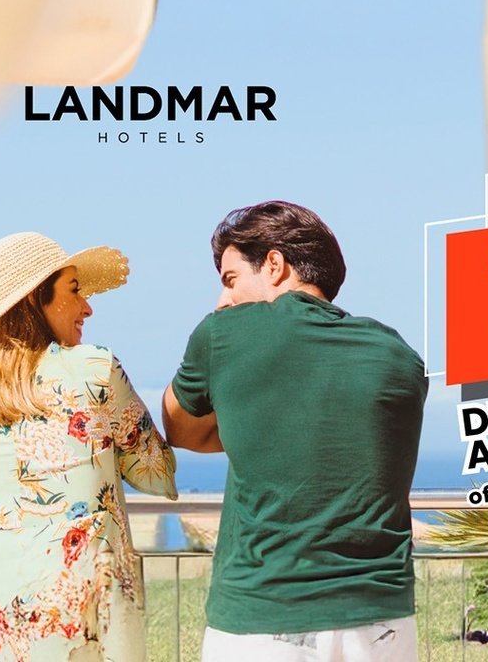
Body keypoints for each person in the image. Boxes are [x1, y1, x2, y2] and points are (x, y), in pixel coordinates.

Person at [0, 231, 178, 662]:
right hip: (85, 618)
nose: (88, 307)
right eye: (75, 291)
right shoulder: (95, 370)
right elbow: (155, 470)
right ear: (32, 299)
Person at [161, 201, 428, 662]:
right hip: (381, 621)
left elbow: (179, 428)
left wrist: (251, 419)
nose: (222, 300)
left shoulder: (223, 335)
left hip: (263, 617)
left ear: (275, 265)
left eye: (230, 280)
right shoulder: (399, 356)